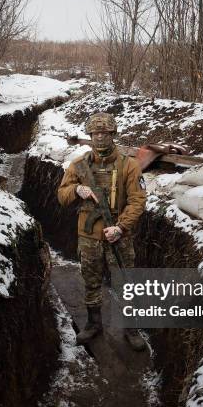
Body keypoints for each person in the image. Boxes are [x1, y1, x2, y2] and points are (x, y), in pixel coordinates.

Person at [57, 112, 147, 351]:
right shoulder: (78, 165)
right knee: (91, 281)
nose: (99, 138)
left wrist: (121, 227)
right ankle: (94, 323)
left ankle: (131, 328)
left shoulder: (129, 165)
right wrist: (77, 190)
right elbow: (62, 195)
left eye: (105, 133)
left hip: (119, 235)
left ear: (113, 134)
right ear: (89, 135)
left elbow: (138, 201)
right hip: (88, 238)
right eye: (95, 133)